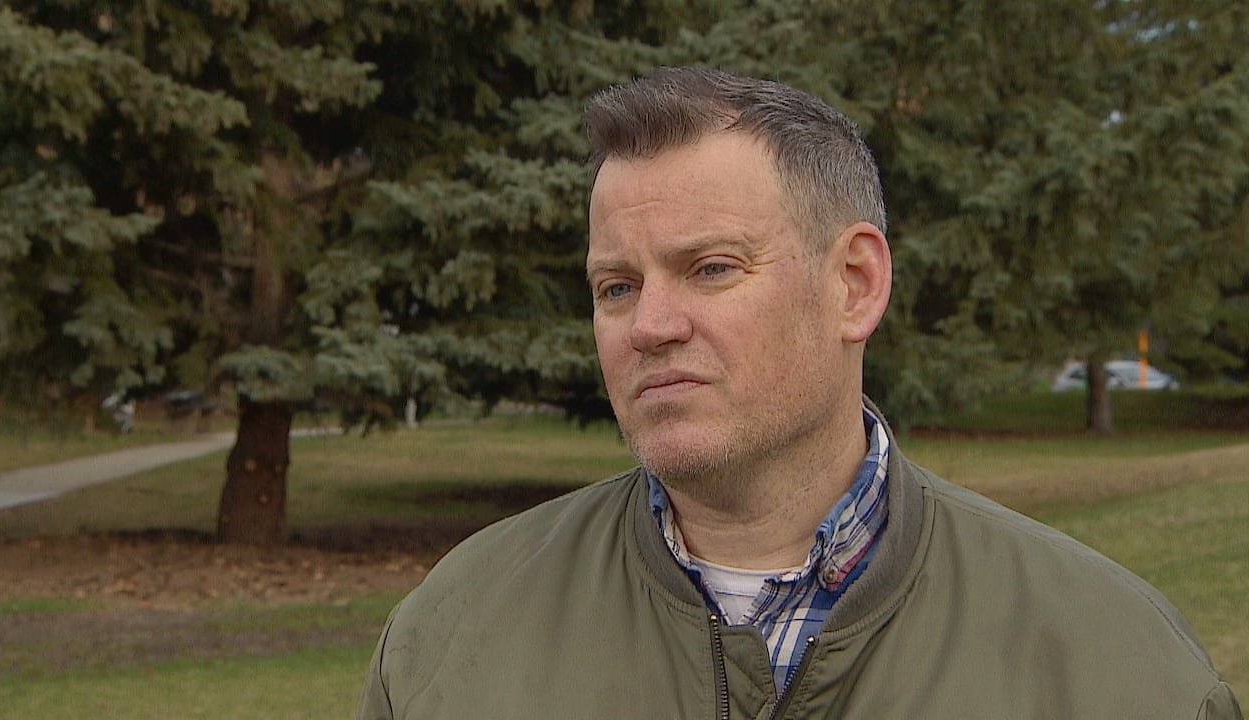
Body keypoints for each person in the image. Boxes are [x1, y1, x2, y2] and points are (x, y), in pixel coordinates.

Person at [357, 67, 1242, 719]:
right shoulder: (453, 637)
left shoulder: (1113, 665)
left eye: (710, 268)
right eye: (616, 286)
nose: (649, 324)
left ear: (855, 284)